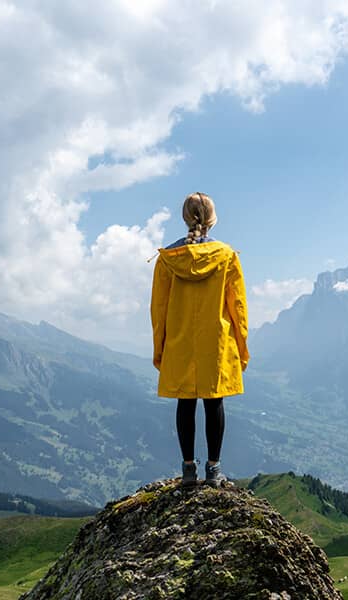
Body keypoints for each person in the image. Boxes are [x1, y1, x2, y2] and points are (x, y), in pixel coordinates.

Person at [150, 192, 249, 487]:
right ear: (212, 220)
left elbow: (158, 309)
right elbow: (238, 308)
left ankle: (188, 470)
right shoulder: (227, 256)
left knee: (185, 401)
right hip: (215, 342)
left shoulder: (168, 260)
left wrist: (160, 349)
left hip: (180, 340)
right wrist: (241, 347)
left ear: (185, 218)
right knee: (213, 401)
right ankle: (214, 469)